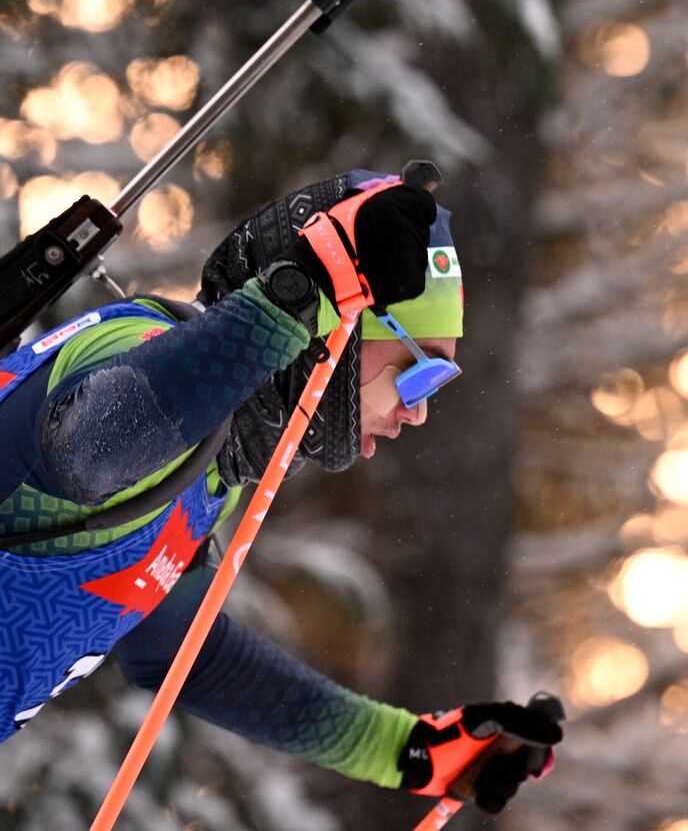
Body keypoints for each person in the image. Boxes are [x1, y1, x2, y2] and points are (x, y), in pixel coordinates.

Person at [0, 167, 561, 814]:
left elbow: (186, 658)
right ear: (332, 330)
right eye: (419, 372)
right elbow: (94, 448)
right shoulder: (141, 357)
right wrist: (303, 287)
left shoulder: (203, 474)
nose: (418, 411)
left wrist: (406, 749)